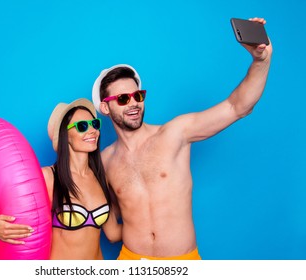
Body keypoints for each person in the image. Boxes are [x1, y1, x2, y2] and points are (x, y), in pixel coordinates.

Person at [91, 18, 272, 260]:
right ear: (105, 108)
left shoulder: (174, 133)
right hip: (130, 260)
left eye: (137, 95)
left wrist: (261, 60)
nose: (134, 103)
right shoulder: (104, 161)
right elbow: (105, 223)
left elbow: (237, 106)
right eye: (123, 99)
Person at [0, 98, 122, 259]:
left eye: (95, 124)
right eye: (82, 126)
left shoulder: (101, 178)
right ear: (65, 135)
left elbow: (112, 234)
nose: (93, 131)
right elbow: (16, 218)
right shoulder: (48, 178)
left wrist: (149, 227)